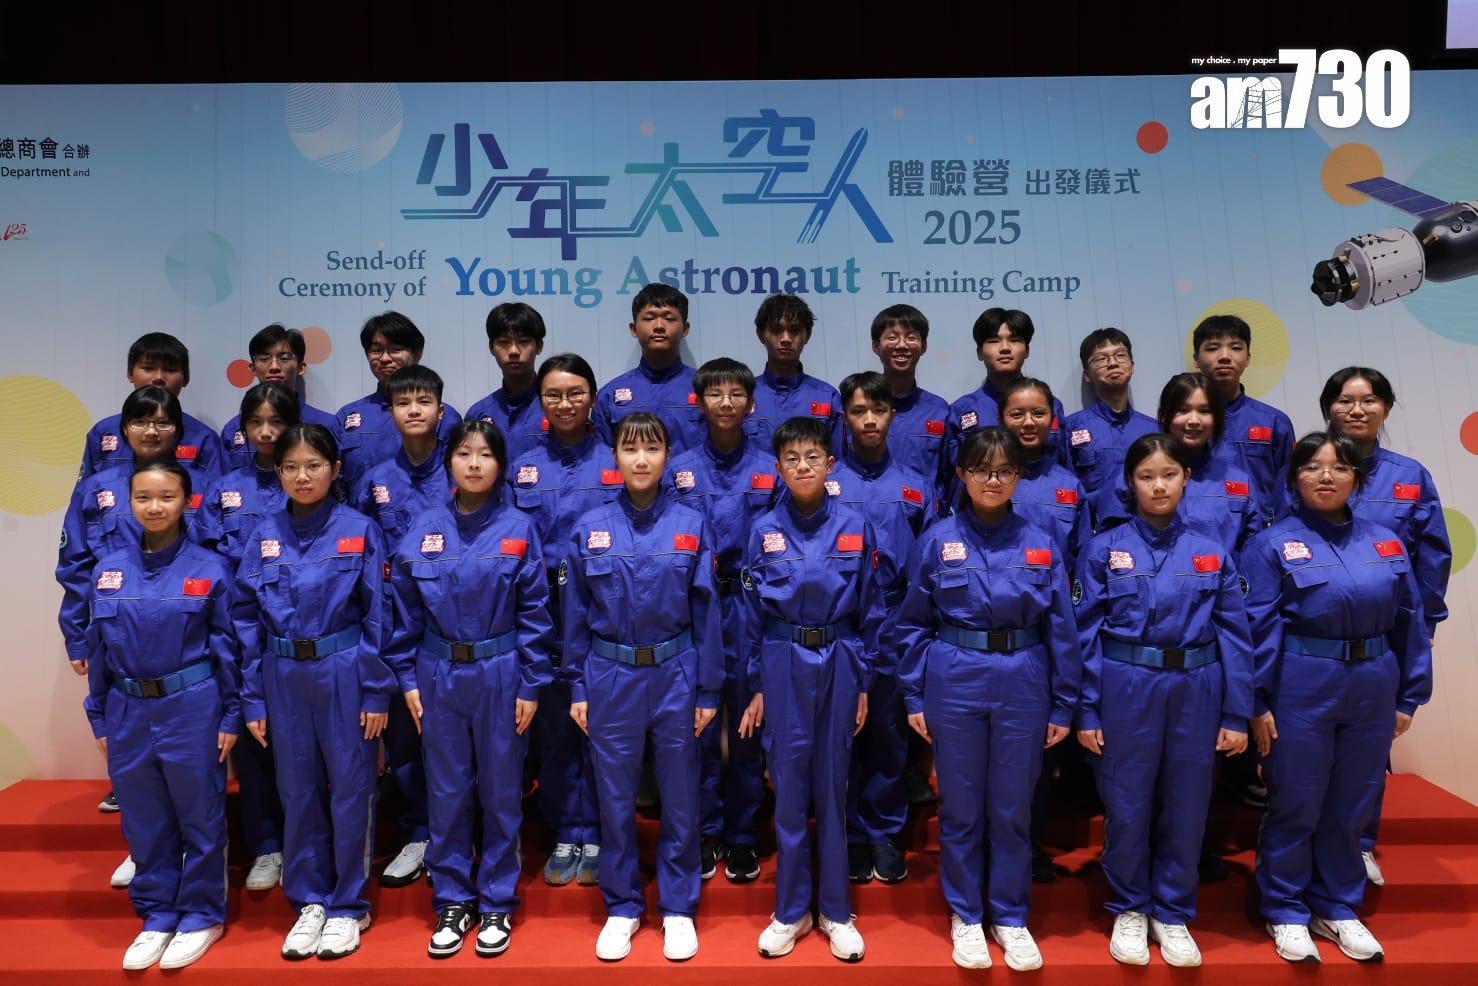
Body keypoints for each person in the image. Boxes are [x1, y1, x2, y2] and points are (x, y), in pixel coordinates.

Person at [892, 426, 1081, 972]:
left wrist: (1063, 702)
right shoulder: (937, 540)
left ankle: (1011, 917)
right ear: (961, 474)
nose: (992, 480)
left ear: (1018, 476)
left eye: (1004, 471)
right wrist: (914, 696)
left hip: (1024, 675)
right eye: (981, 470)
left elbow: (1062, 627)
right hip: (956, 674)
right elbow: (913, 624)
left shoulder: (1041, 541)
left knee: (1013, 805)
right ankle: (966, 915)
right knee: (961, 804)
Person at [1244, 432, 1432, 964]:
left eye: (1340, 467)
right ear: (1294, 478)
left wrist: (1409, 696)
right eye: (1313, 466)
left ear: (1357, 478)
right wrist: (1256, 701)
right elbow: (1256, 629)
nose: (1326, 476)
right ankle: (1285, 908)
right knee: (1297, 797)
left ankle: (1337, 905)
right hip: (1302, 681)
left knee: (1353, 799)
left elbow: (1410, 620)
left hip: (1373, 682)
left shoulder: (1385, 542)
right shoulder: (1270, 545)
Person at [1074, 434, 1253, 968]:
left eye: (1169, 474)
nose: (1158, 486)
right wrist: (1086, 707)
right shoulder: (1103, 549)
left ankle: (1173, 912)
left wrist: (1236, 711)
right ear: (1130, 483)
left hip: (1198, 686)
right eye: (1147, 476)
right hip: (1126, 684)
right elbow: (1083, 634)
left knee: (1187, 802)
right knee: (1127, 802)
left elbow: (1235, 634)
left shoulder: (1210, 550)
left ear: (1186, 479)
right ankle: (1129, 906)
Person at [385, 419, 555, 959]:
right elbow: (404, 611)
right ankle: (453, 899)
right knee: (447, 791)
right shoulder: (422, 528)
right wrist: (406, 678)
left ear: (501, 465)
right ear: (448, 463)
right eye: (463, 453)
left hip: (501, 672)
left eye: (485, 454)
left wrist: (531, 683)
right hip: (437, 673)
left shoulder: (519, 528)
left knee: (501, 791)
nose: (474, 464)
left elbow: (535, 612)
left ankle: (498, 901)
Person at [562, 412, 723, 962]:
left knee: (680, 796)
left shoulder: (691, 524)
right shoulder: (590, 526)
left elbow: (708, 612)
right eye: (630, 449)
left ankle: (678, 907)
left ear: (667, 457)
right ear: (615, 457)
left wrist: (708, 690)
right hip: (609, 674)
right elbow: (574, 613)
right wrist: (578, 686)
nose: (640, 459)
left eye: (651, 449)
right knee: (613, 797)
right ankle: (623, 906)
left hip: (676, 671)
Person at [234, 424, 393, 961]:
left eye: (314, 466)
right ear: (277, 473)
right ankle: (309, 901)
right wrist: (252, 697)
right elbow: (244, 620)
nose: (302, 477)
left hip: (344, 669)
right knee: (296, 791)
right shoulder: (264, 534)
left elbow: (378, 615)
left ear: (335, 469)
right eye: (290, 467)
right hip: (282, 674)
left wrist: (376, 691)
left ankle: (349, 905)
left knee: (350, 789)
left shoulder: (360, 530)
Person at [737, 416, 886, 963]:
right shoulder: (763, 530)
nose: (803, 466)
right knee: (790, 785)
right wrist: (756, 685)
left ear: (831, 464)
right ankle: (791, 910)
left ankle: (836, 911)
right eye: (792, 459)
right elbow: (750, 615)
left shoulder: (855, 526)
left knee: (833, 783)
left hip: (841, 655)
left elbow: (872, 609)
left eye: (813, 457)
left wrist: (864, 680)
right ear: (778, 467)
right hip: (782, 658)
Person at [84, 461, 238, 971]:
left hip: (192, 705)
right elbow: (99, 650)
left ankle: (201, 916)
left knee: (200, 816)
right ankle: (156, 916)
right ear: (130, 503)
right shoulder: (108, 571)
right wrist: (99, 716)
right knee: (143, 820)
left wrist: (231, 715)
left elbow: (228, 649)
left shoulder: (210, 568)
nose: (155, 507)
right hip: (127, 710)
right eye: (144, 498)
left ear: (187, 502)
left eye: (167, 497)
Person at [1318, 367, 1451, 885]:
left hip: (1388, 626)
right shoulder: (1310, 467)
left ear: (1386, 408)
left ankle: (1360, 841)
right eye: (1345, 400)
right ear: (1328, 408)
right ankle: (1311, 839)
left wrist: (1425, 622)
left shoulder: (1409, 476)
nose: (1357, 409)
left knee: (1370, 743)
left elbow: (1432, 554)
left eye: (1369, 400)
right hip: (1317, 632)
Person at [509, 354, 620, 886]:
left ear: (592, 397)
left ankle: (597, 830)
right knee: (554, 726)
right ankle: (565, 830)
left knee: (599, 722)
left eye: (575, 392)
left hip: (604, 608)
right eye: (553, 394)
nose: (565, 402)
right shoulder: (523, 466)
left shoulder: (616, 459)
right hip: (542, 609)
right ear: (541, 402)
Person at [665, 358, 777, 884]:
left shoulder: (770, 468)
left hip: (753, 607)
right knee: (700, 724)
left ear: (750, 404)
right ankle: (706, 828)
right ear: (700, 403)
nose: (726, 402)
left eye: (736, 394)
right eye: (716, 393)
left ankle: (743, 834)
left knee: (749, 725)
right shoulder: (678, 469)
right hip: (697, 608)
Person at [350, 364, 456, 889]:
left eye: (423, 401)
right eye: (403, 402)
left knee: (454, 734)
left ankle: (459, 832)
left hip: (454, 621)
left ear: (441, 409)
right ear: (389, 411)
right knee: (404, 734)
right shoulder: (375, 481)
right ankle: (419, 832)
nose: (414, 410)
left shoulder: (461, 469)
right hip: (392, 621)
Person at [195, 382, 299, 893]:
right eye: (255, 422)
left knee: (303, 744)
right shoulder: (224, 488)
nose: (265, 431)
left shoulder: (305, 478)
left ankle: (305, 840)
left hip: (298, 628)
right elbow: (205, 556)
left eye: (276, 422)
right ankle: (266, 845)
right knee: (253, 736)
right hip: (238, 628)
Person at [829, 371, 932, 887]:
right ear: (843, 418)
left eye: (878, 410)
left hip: (896, 618)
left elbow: (931, 560)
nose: (869, 420)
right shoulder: (826, 482)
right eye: (858, 411)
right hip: (839, 620)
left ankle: (884, 832)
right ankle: (848, 833)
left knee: (889, 731)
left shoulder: (915, 484)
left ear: (893, 415)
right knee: (842, 729)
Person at [994, 379, 1090, 885]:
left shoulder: (1069, 487)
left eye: (1038, 413)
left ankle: (1028, 846)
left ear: (1053, 419)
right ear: (1001, 419)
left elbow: (1083, 562)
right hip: (992, 631)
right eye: (1017, 413)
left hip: (1049, 632)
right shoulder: (986, 478)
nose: (1028, 422)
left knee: (1035, 752)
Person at [60, 388, 202, 674]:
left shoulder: (205, 487)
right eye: (139, 422)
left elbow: (217, 564)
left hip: (186, 625)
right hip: (116, 626)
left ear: (178, 430)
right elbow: (75, 564)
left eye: (162, 423)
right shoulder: (96, 488)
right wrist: (76, 636)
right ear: (125, 429)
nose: (151, 431)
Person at [1095, 374, 1263, 558]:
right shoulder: (1132, 476)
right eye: (1183, 410)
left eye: (1205, 411)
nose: (1194, 420)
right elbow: (1109, 549)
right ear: (1165, 414)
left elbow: (1253, 552)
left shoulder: (1237, 480)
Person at [946, 309, 1069, 500]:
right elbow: (951, 477)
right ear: (979, 352)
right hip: (980, 510)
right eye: (994, 341)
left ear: (1027, 351)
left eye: (1014, 340)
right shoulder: (962, 410)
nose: (1005, 348)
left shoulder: (1050, 405)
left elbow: (1064, 464)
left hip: (1042, 506)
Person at [335, 311, 462, 494]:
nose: (385, 358)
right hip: (363, 511)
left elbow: (458, 480)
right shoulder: (347, 417)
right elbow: (334, 484)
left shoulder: (446, 417)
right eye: (377, 350)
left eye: (395, 349)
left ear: (417, 353)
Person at [79, 332, 223, 480]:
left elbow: (215, 491)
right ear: (130, 374)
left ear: (185, 378)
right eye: (148, 368)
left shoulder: (204, 438)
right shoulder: (103, 432)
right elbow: (86, 490)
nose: (158, 378)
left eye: (170, 370)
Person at [1191, 314, 1294, 521]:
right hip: (1200, 531)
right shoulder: (1182, 424)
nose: (1224, 356)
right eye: (1213, 348)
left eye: (1235, 347)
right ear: (1196, 359)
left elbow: (1290, 488)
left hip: (1261, 531)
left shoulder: (1274, 422)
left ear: (1248, 357)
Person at [592, 284, 705, 456]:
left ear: (685, 328)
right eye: (649, 318)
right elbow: (602, 459)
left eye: (669, 318)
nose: (659, 325)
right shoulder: (609, 395)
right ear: (633, 329)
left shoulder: (705, 389)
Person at [1062, 328, 1157, 516]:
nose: (1113, 363)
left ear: (1132, 366)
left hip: (1147, 526)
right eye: (1101, 359)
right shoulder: (1072, 428)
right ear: (1087, 375)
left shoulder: (1155, 430)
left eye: (1120, 355)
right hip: (1095, 528)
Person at [219, 324, 339, 472]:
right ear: (253, 369)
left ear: (301, 367)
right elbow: (226, 482)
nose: (274, 366)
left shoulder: (327, 425)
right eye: (264, 358)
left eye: (284, 358)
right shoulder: (233, 430)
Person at [869, 304, 951, 501]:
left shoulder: (940, 411)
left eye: (911, 337)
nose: (902, 345)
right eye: (892, 337)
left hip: (924, 515)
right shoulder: (860, 409)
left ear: (923, 346)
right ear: (876, 346)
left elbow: (949, 476)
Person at [747, 294, 843, 453]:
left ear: (807, 335)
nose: (786, 338)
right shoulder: (744, 395)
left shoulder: (827, 396)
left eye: (795, 330)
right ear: (761, 334)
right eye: (776, 330)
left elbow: (838, 459)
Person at [465, 303, 550, 465]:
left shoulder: (556, 407)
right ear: (491, 347)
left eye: (523, 341)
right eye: (504, 342)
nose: (513, 351)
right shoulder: (478, 414)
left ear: (539, 346)